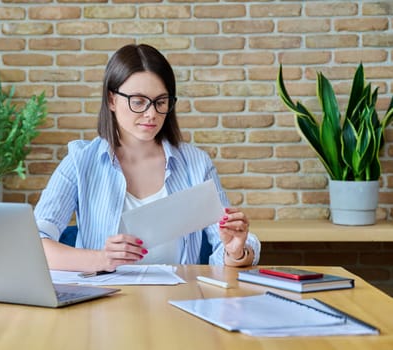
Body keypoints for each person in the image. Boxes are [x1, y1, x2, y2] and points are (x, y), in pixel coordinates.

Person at [34, 44, 261, 272]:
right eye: (139, 101)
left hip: (178, 300)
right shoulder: (80, 161)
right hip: (103, 302)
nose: (151, 113)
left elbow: (226, 248)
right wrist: (102, 259)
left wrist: (236, 252)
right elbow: (35, 244)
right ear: (112, 100)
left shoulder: (196, 163)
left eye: (160, 102)